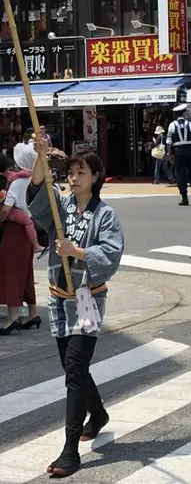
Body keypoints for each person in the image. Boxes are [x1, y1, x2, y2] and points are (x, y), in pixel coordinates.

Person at [28, 141, 124, 478]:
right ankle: (97, 414)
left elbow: (111, 253)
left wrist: (76, 251)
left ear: (96, 176)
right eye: (70, 173)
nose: (74, 177)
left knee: (73, 369)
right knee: (75, 368)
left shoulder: (105, 214)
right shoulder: (62, 207)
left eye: (81, 172)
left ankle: (70, 451)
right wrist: (41, 156)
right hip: (59, 297)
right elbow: (36, 190)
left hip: (87, 299)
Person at [0, 145, 40, 334]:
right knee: (26, 273)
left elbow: (7, 209)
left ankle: (12, 317)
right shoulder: (34, 180)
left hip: (14, 230)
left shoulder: (17, 182)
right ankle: (32, 313)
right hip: (29, 227)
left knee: (12, 272)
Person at [166, 104, 191, 207]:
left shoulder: (172, 125)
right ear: (184, 113)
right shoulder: (189, 124)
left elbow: (168, 142)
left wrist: (169, 155)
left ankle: (184, 198)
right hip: (190, 150)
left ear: (176, 115)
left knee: (181, 175)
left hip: (178, 151)